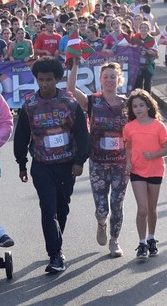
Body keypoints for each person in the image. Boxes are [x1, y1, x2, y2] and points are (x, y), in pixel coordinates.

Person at [14, 57, 89, 273]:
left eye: (48, 80)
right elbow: (21, 137)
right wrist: (21, 164)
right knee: (48, 209)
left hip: (67, 165)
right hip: (42, 165)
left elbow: (82, 134)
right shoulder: (29, 105)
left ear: (57, 79)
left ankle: (58, 244)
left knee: (61, 208)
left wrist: (79, 161)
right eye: (40, 80)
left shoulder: (70, 102)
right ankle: (55, 255)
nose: (44, 84)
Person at [67, 60, 129, 258]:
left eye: (113, 76)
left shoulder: (127, 103)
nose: (109, 80)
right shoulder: (92, 101)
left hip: (120, 163)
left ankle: (114, 241)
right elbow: (70, 88)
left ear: (119, 79)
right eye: (105, 77)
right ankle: (101, 223)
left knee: (117, 204)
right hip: (98, 163)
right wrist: (75, 65)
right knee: (102, 207)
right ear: (100, 80)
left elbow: (135, 133)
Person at [123, 89, 167, 259]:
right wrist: (128, 162)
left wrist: (154, 155)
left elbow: (166, 149)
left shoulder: (159, 126)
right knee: (142, 209)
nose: (138, 108)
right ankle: (142, 242)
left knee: (151, 208)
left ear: (149, 106)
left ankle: (151, 238)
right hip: (137, 170)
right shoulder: (129, 127)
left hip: (155, 170)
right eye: (134, 106)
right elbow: (128, 146)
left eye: (141, 105)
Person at [131, 21, 159, 93]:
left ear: (148, 29)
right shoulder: (135, 38)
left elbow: (155, 52)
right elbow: (130, 48)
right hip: (138, 65)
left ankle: (147, 99)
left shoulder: (151, 39)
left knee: (147, 83)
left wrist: (150, 52)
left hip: (148, 64)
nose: (143, 29)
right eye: (142, 27)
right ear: (139, 29)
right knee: (138, 84)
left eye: (145, 28)